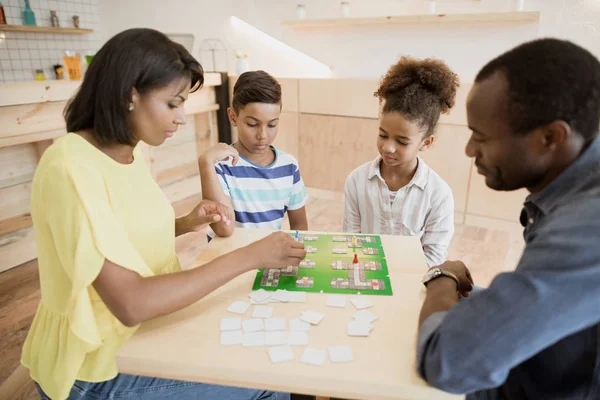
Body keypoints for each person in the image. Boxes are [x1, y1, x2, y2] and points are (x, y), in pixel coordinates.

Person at [21, 28, 303, 400]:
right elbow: (131, 303)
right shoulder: (69, 167)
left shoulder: (127, 152)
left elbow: (112, 237)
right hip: (92, 367)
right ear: (129, 96)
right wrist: (251, 257)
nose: (182, 117)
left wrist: (185, 223)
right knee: (270, 382)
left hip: (147, 330)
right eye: (173, 103)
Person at [418, 38, 600, 399]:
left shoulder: (586, 228)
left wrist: (441, 277)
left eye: (481, 137)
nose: (470, 151)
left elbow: (447, 361)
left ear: (550, 137)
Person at [343, 57, 459, 267]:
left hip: (412, 282)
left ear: (426, 142)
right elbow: (351, 240)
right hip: (366, 277)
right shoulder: (357, 181)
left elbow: (434, 256)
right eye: (383, 134)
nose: (388, 147)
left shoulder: (439, 194)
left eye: (402, 141)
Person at [198, 70, 308, 237]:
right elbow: (222, 228)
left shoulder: (289, 166)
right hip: (228, 259)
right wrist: (205, 162)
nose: (262, 135)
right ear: (233, 117)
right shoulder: (220, 166)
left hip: (267, 258)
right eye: (252, 124)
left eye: (272, 125)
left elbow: (299, 225)